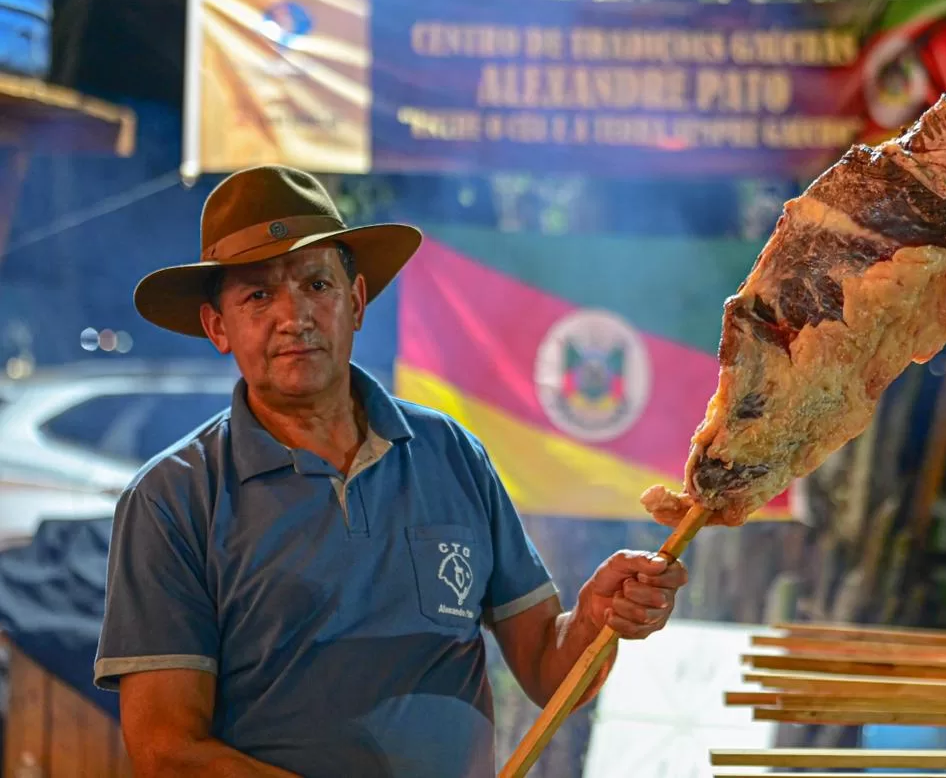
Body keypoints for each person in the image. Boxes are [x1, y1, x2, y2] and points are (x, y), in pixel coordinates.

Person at [93, 165, 689, 778]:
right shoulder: (172, 499)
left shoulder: (451, 454)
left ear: (354, 302)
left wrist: (592, 620)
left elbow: (546, 669)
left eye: (316, 284)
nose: (294, 316)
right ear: (218, 326)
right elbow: (167, 751)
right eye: (258, 296)